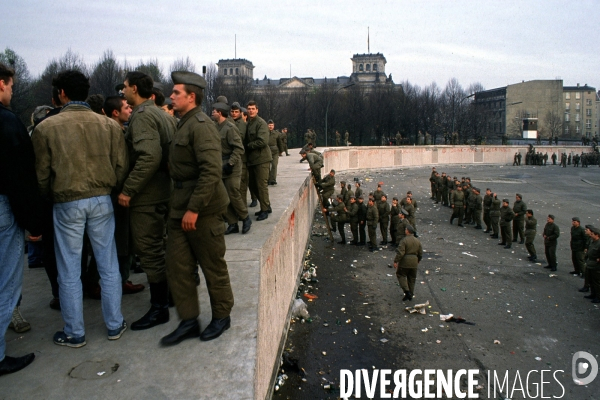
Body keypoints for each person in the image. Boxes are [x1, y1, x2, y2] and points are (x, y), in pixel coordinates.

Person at [32, 70, 128, 347]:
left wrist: (50, 195)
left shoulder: (46, 127)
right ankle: (114, 324)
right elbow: (121, 166)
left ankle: (75, 332)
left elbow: (41, 174)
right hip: (101, 198)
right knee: (108, 264)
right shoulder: (109, 126)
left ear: (61, 93)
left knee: (69, 269)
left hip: (66, 200)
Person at [161, 71, 234, 345]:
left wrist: (194, 209)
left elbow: (210, 171)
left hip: (203, 209)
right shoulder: (183, 123)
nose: (171, 96)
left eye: (176, 92)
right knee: (178, 266)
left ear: (191, 97)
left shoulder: (201, 125)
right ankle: (189, 320)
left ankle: (222, 316)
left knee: (212, 265)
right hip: (179, 207)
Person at [0, 62, 46, 374]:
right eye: (12, 86)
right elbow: (21, 175)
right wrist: (33, 221)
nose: (12, 92)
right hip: (4, 208)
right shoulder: (7, 122)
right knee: (6, 283)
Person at [120, 71, 176, 331]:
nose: (123, 91)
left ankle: (159, 308)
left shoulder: (142, 116)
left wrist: (128, 189)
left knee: (150, 251)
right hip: (165, 192)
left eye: (125, 87)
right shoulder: (163, 115)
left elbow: (149, 157)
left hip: (148, 196)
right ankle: (170, 297)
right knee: (163, 246)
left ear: (134, 89)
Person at [101, 95, 145, 296]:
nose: (130, 110)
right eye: (127, 107)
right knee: (119, 239)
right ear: (115, 113)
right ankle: (115, 280)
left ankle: (119, 278)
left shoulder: (120, 131)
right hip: (117, 192)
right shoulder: (112, 133)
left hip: (118, 191)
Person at [211, 101, 251, 235]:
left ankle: (245, 218)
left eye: (214, 111)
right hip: (220, 165)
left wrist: (230, 164)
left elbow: (239, 148)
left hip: (232, 166)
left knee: (233, 193)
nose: (212, 113)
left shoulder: (230, 127)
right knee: (223, 196)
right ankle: (232, 223)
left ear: (220, 113)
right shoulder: (216, 126)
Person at [245, 101, 272, 221]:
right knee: (253, 186)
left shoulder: (260, 123)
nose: (250, 111)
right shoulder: (249, 123)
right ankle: (266, 205)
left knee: (261, 185)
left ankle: (264, 210)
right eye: (249, 109)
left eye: (253, 109)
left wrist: (248, 145)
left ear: (257, 110)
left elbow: (263, 141)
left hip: (262, 159)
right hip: (253, 160)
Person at [393, 225, 423, 301]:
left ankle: (407, 291)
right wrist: (418, 260)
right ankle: (410, 294)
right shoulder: (417, 241)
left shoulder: (404, 240)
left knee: (401, 275)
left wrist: (396, 261)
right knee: (412, 279)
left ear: (408, 231)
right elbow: (420, 253)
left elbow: (401, 252)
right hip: (414, 262)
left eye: (406, 229)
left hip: (405, 261)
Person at [584, 227, 600, 303]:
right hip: (590, 264)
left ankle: (598, 296)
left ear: (597, 235)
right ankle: (593, 294)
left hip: (596, 266)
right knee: (590, 281)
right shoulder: (592, 241)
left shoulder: (599, 243)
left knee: (596, 282)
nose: (591, 235)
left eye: (592, 234)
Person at [267, 120, 283, 185]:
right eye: (269, 125)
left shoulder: (277, 133)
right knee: (267, 166)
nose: (271, 127)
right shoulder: (264, 132)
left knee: (274, 165)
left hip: (275, 151)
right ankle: (267, 179)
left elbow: (280, 142)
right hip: (267, 151)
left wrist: (281, 150)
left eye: (272, 125)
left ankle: (273, 179)